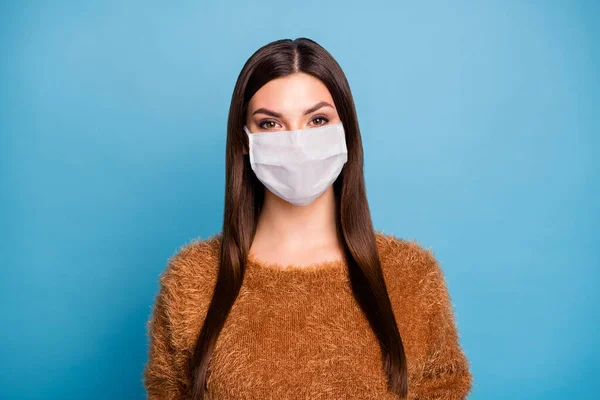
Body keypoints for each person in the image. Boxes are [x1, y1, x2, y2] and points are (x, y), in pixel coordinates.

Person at [142, 37, 473, 400]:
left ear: (345, 131)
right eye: (270, 124)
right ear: (244, 141)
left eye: (317, 120)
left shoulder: (412, 278)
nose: (297, 142)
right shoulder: (192, 280)